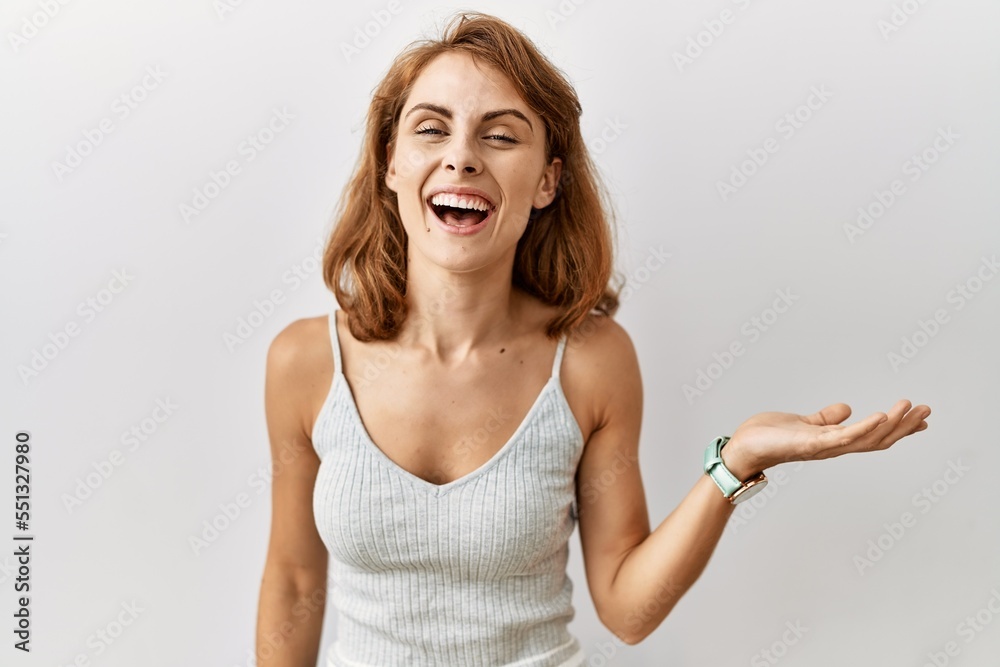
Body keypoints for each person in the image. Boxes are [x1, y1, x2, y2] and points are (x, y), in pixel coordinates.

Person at [254, 11, 931, 667]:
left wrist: (737, 462)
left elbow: (626, 607)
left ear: (547, 179)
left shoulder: (591, 361)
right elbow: (293, 580)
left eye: (500, 136)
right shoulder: (306, 362)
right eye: (432, 129)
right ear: (391, 164)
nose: (460, 158)